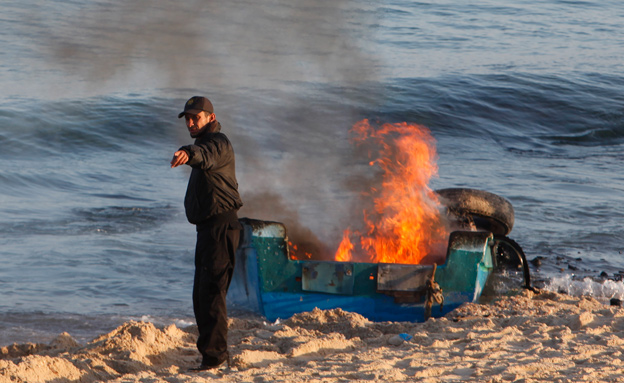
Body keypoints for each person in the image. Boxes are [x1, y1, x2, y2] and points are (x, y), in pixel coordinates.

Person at [170, 96, 243, 371]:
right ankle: (211, 356)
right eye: (187, 118)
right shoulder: (204, 143)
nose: (190, 122)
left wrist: (189, 153)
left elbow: (206, 155)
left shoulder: (218, 143)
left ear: (210, 118)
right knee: (201, 296)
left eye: (195, 118)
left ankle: (215, 359)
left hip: (220, 228)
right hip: (208, 231)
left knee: (212, 294)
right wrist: (192, 152)